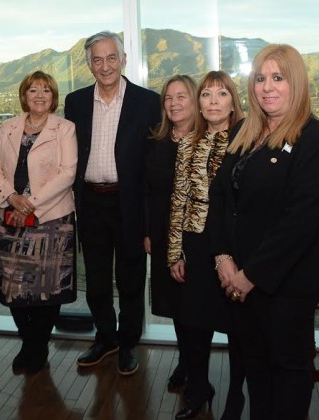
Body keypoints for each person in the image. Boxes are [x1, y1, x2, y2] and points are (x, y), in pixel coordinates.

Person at [208, 44, 319, 419]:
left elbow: (300, 222)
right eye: (261, 78)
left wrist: (252, 275)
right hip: (238, 281)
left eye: (278, 78)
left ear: (295, 83)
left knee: (287, 373)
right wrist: (223, 259)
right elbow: (221, 198)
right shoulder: (244, 134)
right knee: (256, 371)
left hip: (286, 284)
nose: (267, 86)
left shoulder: (317, 140)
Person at [64, 30, 160, 376]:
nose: (104, 66)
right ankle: (105, 337)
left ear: (122, 59)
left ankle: (128, 343)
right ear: (89, 64)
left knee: (131, 278)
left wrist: (150, 223)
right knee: (98, 277)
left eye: (110, 58)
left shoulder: (148, 102)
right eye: (97, 59)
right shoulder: (74, 102)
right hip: (90, 203)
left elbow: (152, 169)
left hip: (129, 204)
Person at [0, 70, 77, 374]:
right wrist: (10, 196)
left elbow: (67, 173)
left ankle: (36, 347)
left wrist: (31, 203)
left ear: (54, 97)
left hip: (51, 218)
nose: (39, 96)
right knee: (16, 290)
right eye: (33, 91)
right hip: (11, 216)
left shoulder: (64, 128)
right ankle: (31, 343)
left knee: (48, 290)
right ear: (23, 95)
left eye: (46, 91)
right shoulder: (8, 127)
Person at [167, 71, 243, 419]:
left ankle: (237, 397)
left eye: (221, 94)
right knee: (195, 325)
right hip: (196, 245)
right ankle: (199, 389)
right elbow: (179, 200)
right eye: (207, 94)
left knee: (239, 329)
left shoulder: (248, 143)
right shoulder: (186, 144)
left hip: (235, 247)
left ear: (233, 101)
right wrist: (175, 253)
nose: (213, 101)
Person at [145, 75, 197, 391]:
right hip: (164, 236)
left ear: (194, 101)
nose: (174, 103)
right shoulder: (157, 142)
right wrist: (149, 233)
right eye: (168, 97)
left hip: (197, 237)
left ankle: (198, 368)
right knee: (176, 304)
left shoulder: (209, 142)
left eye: (181, 96)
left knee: (195, 305)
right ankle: (186, 362)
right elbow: (148, 193)